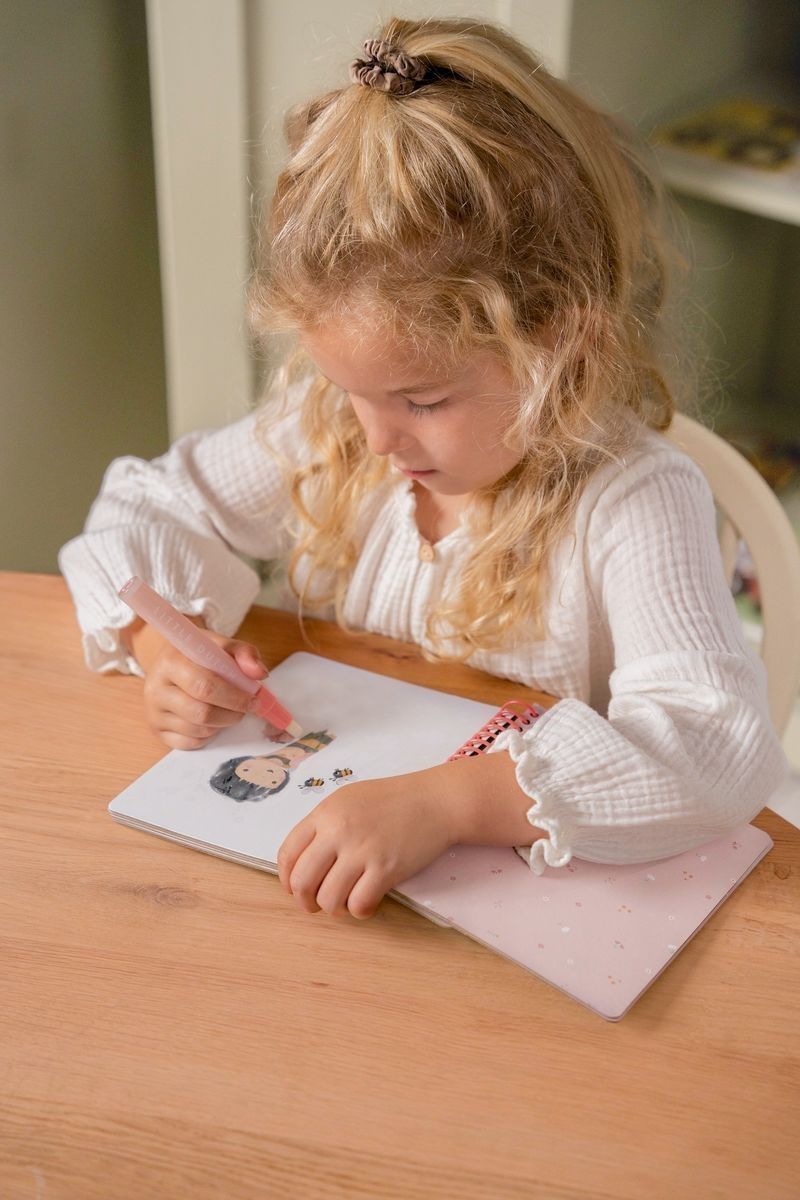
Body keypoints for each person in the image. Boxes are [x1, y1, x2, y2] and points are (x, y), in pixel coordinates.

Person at [59, 17, 788, 920]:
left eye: (424, 401)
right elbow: (148, 505)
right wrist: (164, 646)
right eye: (349, 391)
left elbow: (716, 750)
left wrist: (451, 804)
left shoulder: (632, 497)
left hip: (518, 910)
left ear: (561, 343)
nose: (376, 440)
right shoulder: (330, 426)